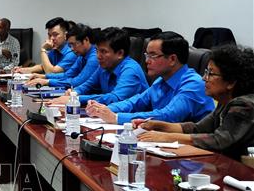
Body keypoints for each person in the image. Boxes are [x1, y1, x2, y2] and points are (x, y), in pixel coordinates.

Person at [137, 44, 254, 160]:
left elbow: (219, 140)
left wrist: (167, 137)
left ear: (231, 82)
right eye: (206, 72)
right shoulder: (224, 102)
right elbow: (197, 128)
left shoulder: (244, 106)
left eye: (210, 74)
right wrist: (159, 126)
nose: (204, 78)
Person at [85, 32, 214, 124]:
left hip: (197, 149)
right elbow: (135, 102)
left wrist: (116, 117)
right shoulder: (161, 81)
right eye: (146, 55)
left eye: (152, 55)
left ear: (172, 59)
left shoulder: (194, 83)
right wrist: (103, 109)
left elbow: (167, 116)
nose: (147, 61)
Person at [51, 27, 148, 106]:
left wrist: (76, 98)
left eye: (103, 51)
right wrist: (74, 93)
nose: (98, 56)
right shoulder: (104, 66)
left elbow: (114, 98)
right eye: (97, 51)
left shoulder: (130, 70)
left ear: (120, 53)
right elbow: (88, 84)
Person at [26, 23, 99, 89]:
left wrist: (48, 82)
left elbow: (77, 81)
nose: (72, 48)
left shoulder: (94, 58)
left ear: (86, 40)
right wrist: (44, 76)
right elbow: (67, 75)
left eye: (74, 44)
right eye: (70, 45)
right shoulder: (81, 55)